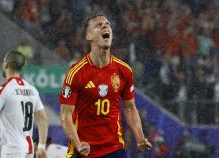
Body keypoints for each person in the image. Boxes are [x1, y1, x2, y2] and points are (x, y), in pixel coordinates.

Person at [59, 14, 152, 158]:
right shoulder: (76, 73)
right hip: (84, 151)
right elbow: (65, 114)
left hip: (114, 150)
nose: (105, 26)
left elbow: (129, 107)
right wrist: (78, 144)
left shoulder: (124, 70)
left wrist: (140, 138)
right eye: (98, 25)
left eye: (107, 24)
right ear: (89, 35)